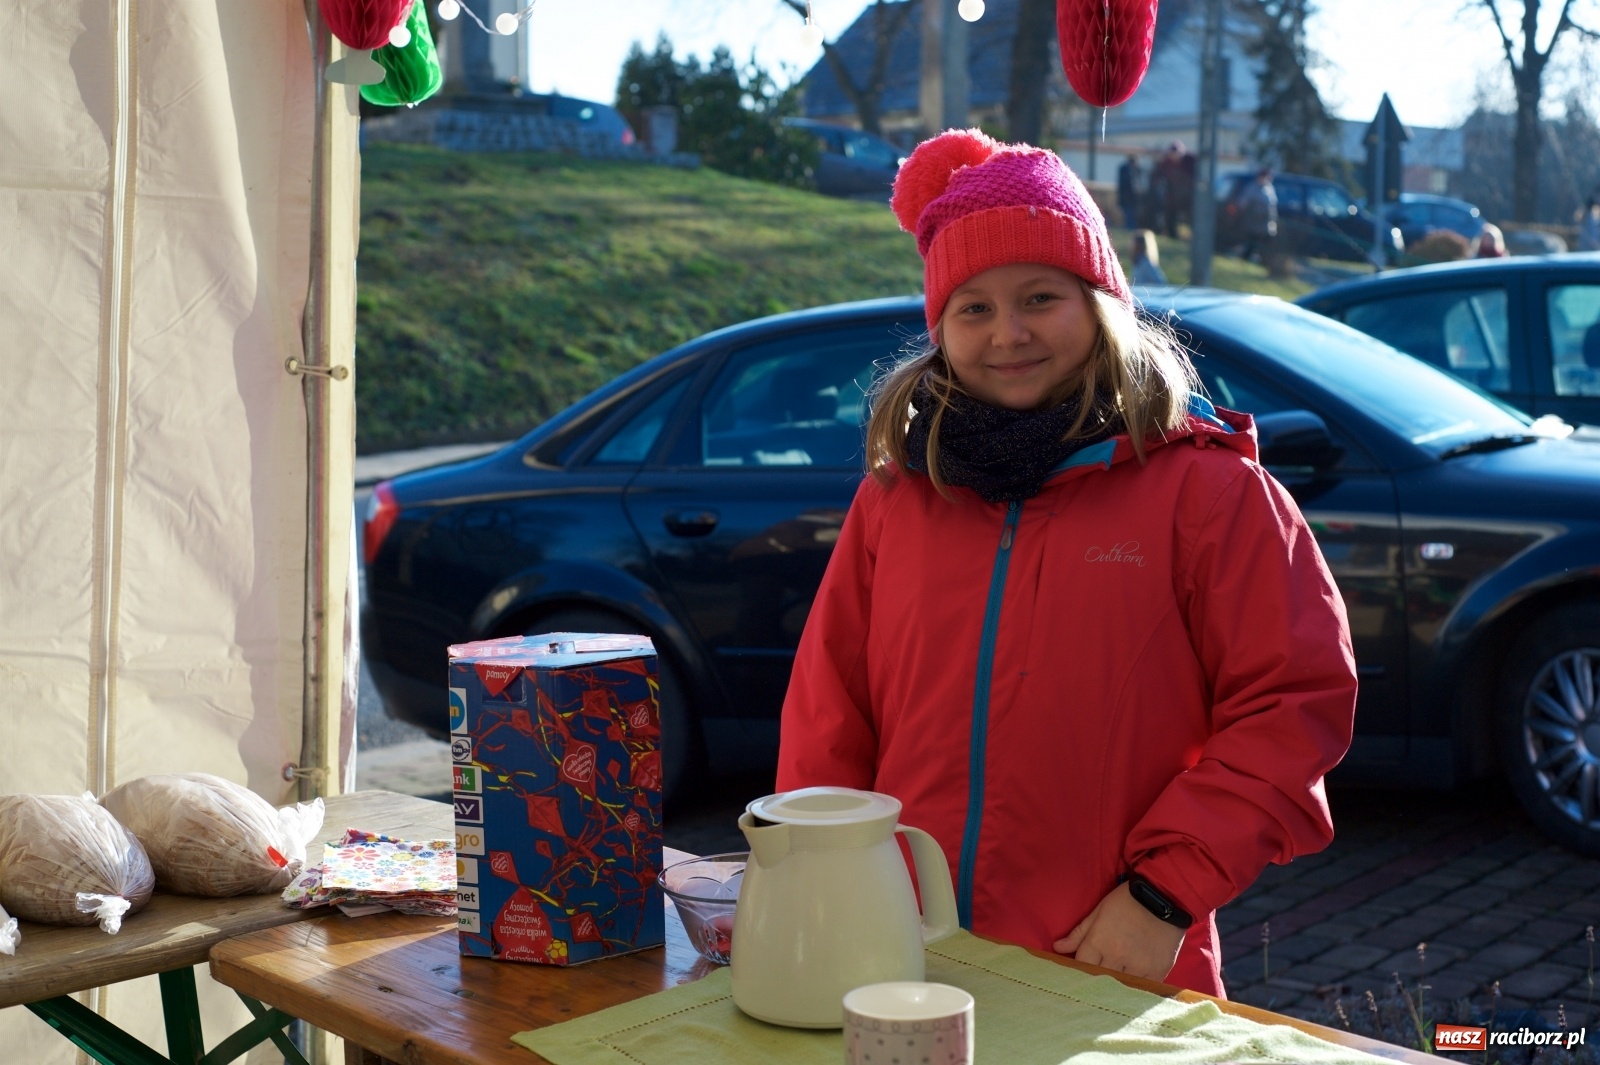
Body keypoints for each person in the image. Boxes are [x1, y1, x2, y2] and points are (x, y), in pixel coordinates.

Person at [776, 128, 1358, 998]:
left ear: (1100, 303)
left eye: (1040, 296)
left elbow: (1293, 703)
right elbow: (830, 720)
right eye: (973, 307)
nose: (1007, 332)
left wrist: (1164, 897)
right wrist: (815, 881)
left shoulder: (1208, 494)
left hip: (1110, 968)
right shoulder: (898, 500)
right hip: (901, 962)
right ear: (940, 329)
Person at [1238, 166, 1279, 265]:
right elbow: (1242, 204)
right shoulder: (1252, 189)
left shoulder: (1270, 189)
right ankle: (1244, 262)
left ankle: (1264, 262)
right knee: (1250, 245)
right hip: (1253, 223)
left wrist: (1274, 222)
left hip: (1267, 224)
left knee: (1265, 246)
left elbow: (1273, 206)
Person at [1116, 154, 1145, 230]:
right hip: (1128, 198)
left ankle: (1130, 228)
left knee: (1130, 215)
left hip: (1130, 198)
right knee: (1129, 215)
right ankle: (1130, 228)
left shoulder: (1127, 169)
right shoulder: (1128, 171)